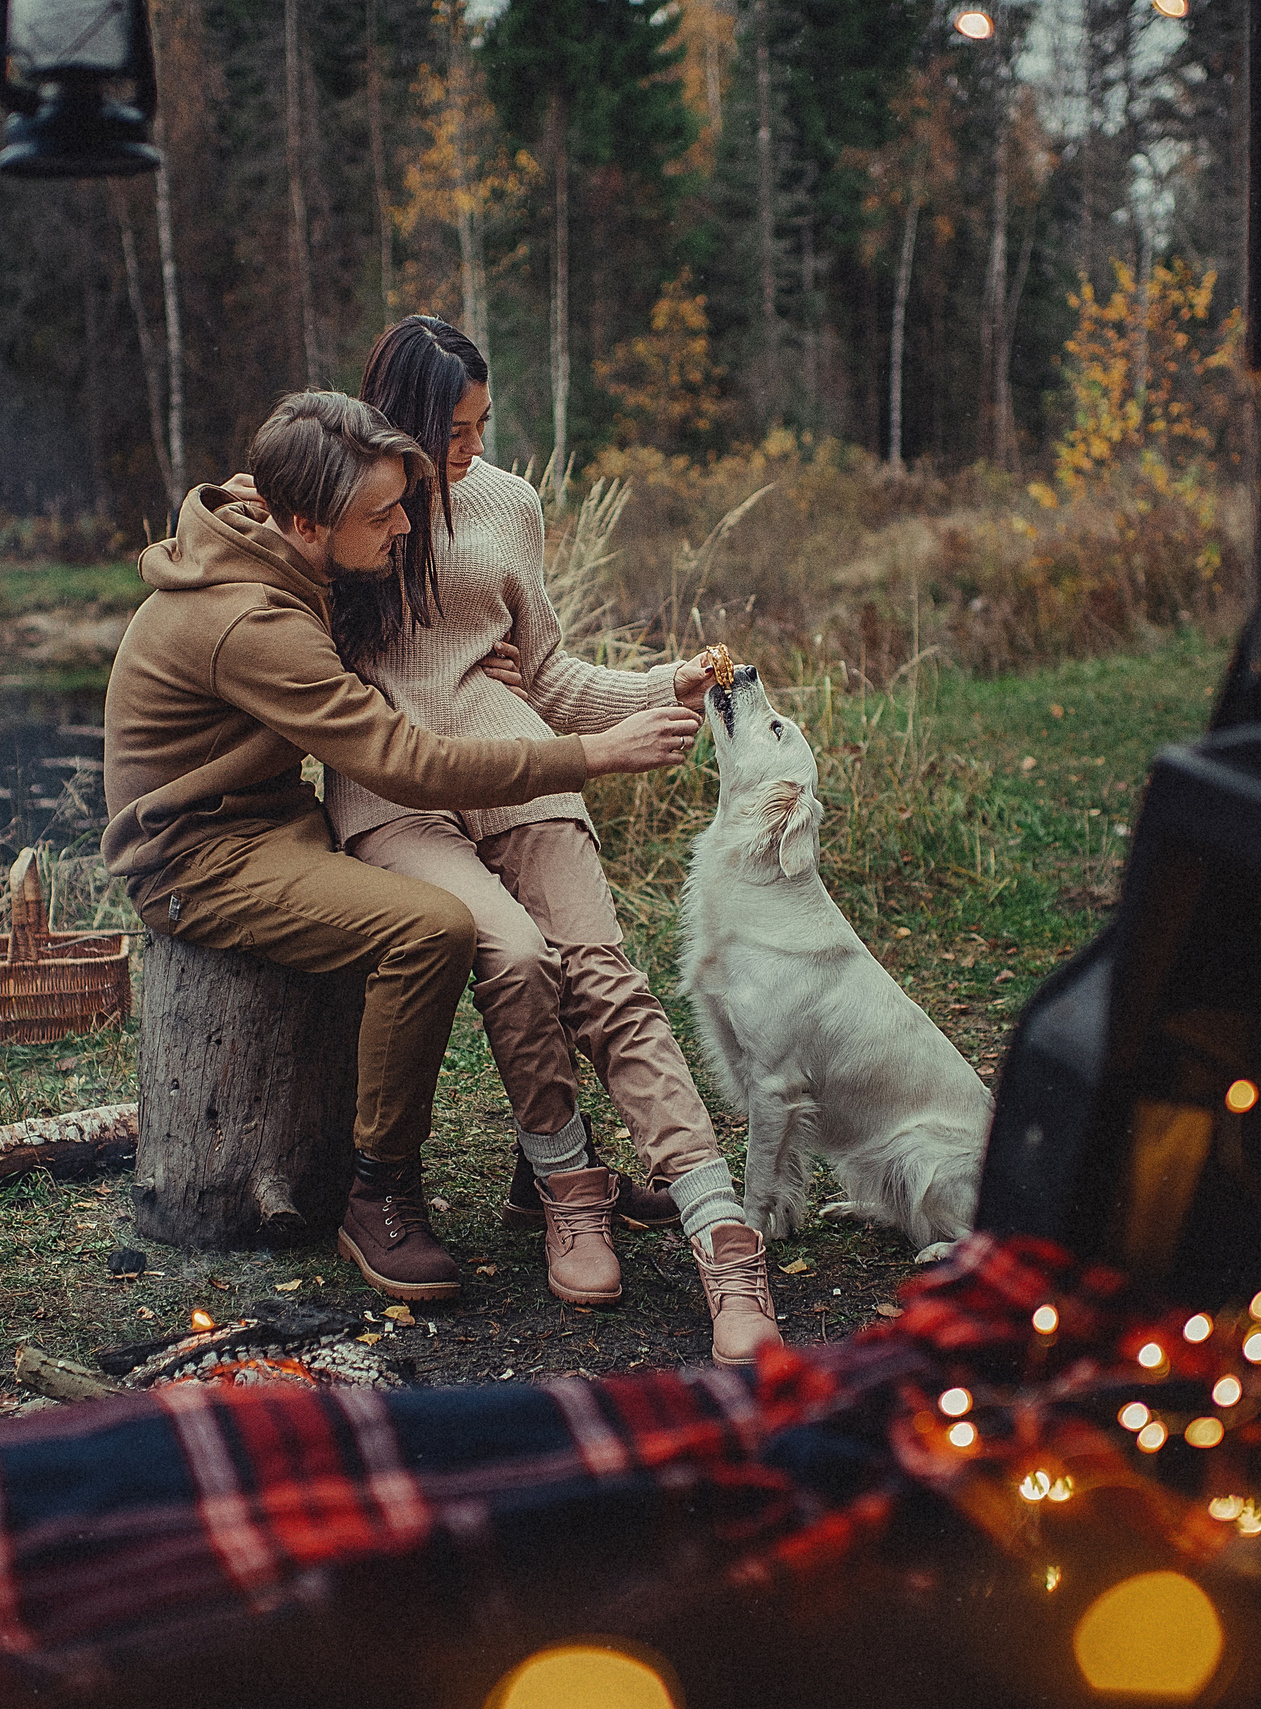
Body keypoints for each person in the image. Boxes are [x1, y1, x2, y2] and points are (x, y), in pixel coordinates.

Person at [101, 391, 699, 1304]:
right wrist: (591, 755)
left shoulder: (266, 518)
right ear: (307, 522)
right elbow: (400, 758)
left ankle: (546, 1174)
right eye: (382, 515)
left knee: (518, 940)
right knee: (432, 929)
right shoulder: (250, 624)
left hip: (268, 814)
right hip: (196, 854)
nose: (405, 528)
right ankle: (376, 1188)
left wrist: (471, 650)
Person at [331, 315, 784, 1368]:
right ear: (399, 420)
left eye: (485, 423)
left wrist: (654, 686)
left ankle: (722, 1232)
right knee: (517, 958)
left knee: (604, 976)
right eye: (453, 428)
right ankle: (566, 1183)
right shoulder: (348, 499)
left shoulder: (508, 502)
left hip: (523, 762)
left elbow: (550, 677)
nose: (473, 448)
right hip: (395, 793)